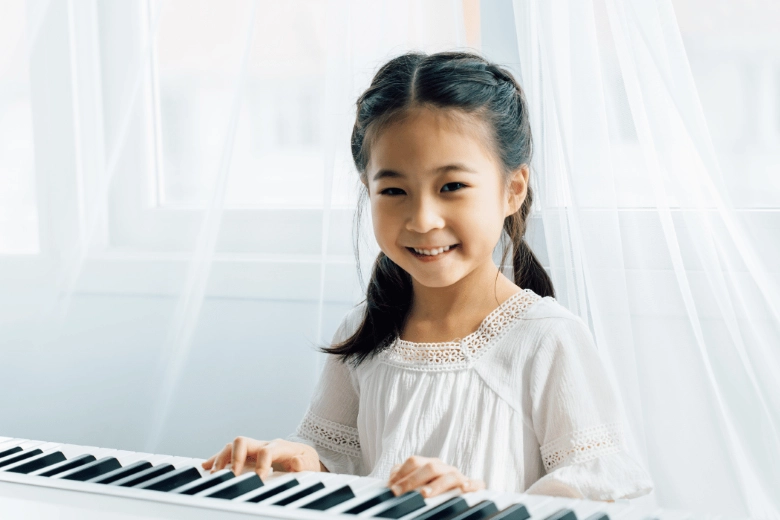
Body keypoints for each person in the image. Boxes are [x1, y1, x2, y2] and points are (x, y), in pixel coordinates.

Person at [202, 51, 654, 502]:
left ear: (512, 190)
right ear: (369, 192)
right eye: (394, 190)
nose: (422, 220)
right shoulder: (364, 333)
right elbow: (340, 462)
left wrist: (480, 501)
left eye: (451, 186)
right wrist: (302, 462)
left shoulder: (547, 339)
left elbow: (598, 488)